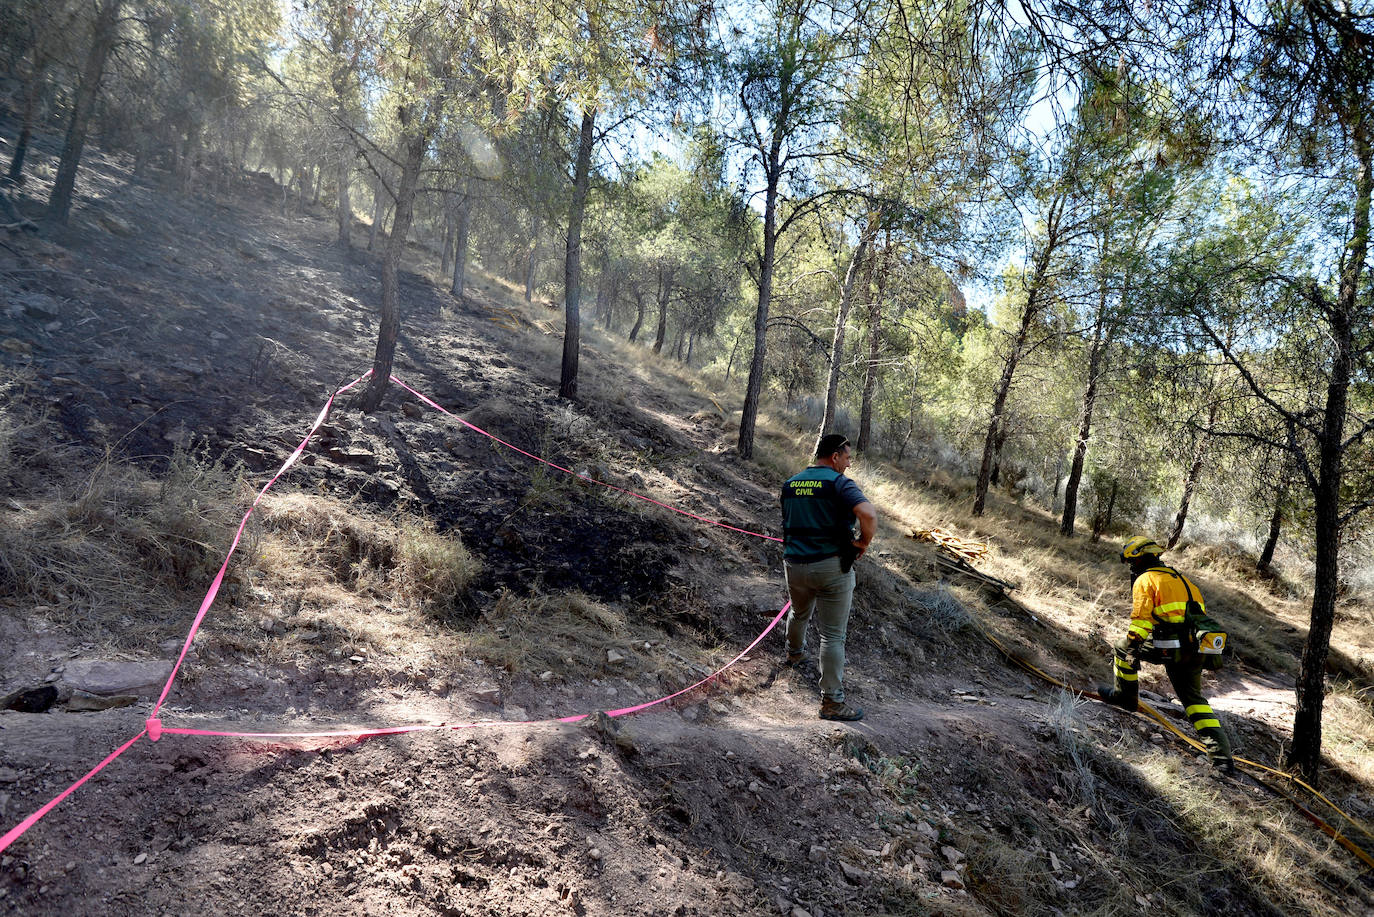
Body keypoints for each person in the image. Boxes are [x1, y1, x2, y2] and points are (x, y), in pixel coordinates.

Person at [1099, 536, 1235, 774]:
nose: (1131, 567)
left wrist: (1132, 647)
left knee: (1121, 646)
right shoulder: (1184, 581)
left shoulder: (1146, 580)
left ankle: (1125, 697)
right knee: (1195, 702)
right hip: (1195, 650)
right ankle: (1222, 758)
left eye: (1131, 562)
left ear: (1138, 559)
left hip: (1169, 647)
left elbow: (1141, 621)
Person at [780, 433, 878, 722]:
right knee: (833, 635)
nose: (848, 463)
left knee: (799, 612)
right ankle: (832, 703)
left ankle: (794, 654)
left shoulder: (791, 483)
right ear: (834, 456)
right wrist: (863, 543)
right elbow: (869, 515)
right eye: (847, 457)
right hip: (831, 567)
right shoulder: (839, 483)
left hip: (794, 564)